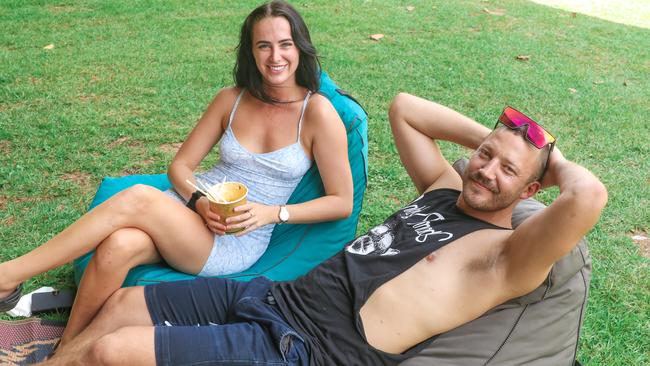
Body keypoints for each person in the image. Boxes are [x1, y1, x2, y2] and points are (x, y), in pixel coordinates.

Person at [39, 93, 607, 366]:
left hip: (308, 350)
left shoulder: (507, 256)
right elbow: (404, 108)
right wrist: (508, 140)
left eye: (507, 171)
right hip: (277, 298)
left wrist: (545, 159)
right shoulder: (442, 189)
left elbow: (590, 196)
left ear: (533, 192)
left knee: (113, 353)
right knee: (119, 307)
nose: (485, 170)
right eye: (484, 155)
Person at [0, 0, 353, 348]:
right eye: (264, 45)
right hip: (188, 212)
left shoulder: (317, 112)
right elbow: (180, 167)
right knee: (118, 246)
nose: (275, 57)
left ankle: (9, 274)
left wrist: (272, 214)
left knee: (138, 196)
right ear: (250, 51)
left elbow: (342, 202)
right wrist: (198, 202)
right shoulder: (231, 100)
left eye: (285, 44)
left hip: (234, 239)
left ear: (300, 47)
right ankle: (69, 349)